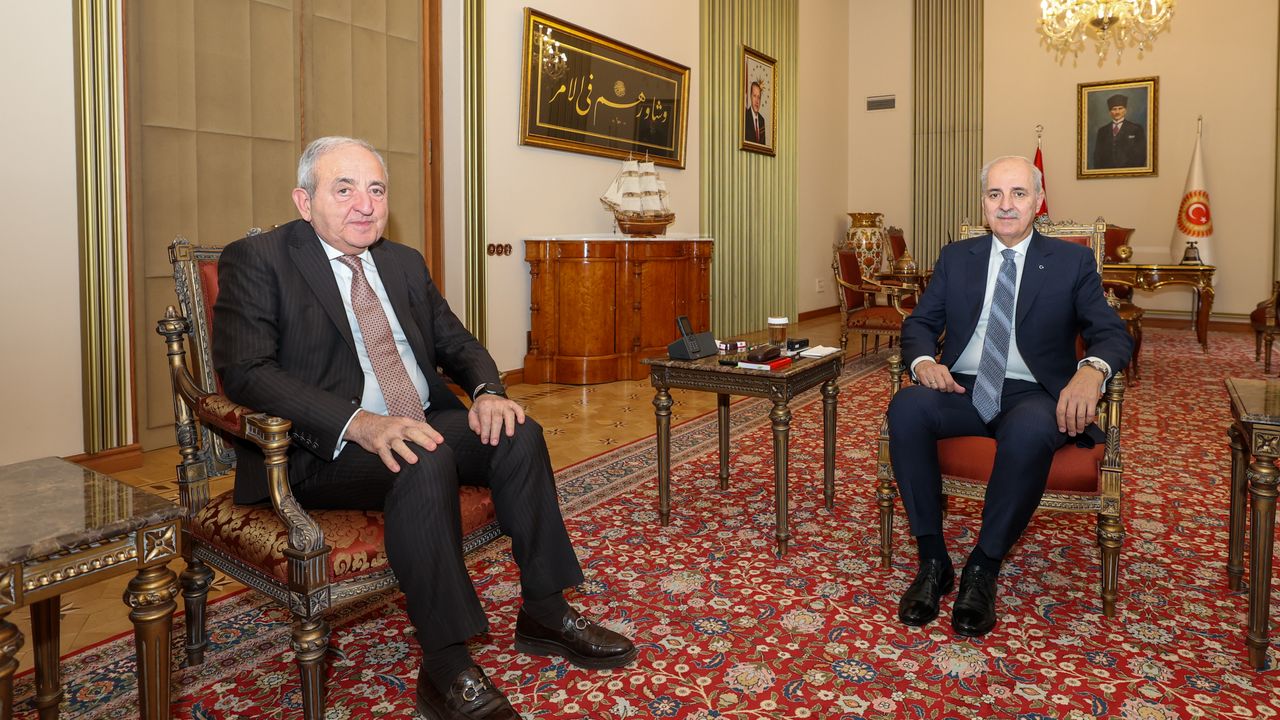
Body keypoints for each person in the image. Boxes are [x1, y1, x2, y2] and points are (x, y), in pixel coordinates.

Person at [213, 136, 636, 719]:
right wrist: (358, 423)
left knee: (518, 433)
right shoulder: (260, 258)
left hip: (420, 418)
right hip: (321, 449)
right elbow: (247, 372)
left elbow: (456, 342)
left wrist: (488, 392)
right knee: (423, 454)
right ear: (304, 201)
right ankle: (446, 666)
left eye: (376, 190)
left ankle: (544, 610)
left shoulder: (402, 262)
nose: (366, 205)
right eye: (344, 190)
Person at [886, 155, 1132, 637]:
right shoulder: (957, 257)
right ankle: (933, 560)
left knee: (1032, 428)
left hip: (1032, 391)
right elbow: (920, 323)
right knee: (907, 407)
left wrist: (1092, 371)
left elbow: (1110, 332)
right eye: (995, 194)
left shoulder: (1071, 262)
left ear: (1038, 201)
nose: (1006, 205)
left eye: (1018, 194)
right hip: (962, 386)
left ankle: (984, 565)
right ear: (983, 203)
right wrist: (924, 363)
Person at [1092, 93, 1146, 169]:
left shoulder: (1136, 129)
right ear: (1110, 112)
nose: (1117, 112)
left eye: (1120, 108)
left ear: (1125, 110)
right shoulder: (1102, 131)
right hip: (1107, 173)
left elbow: (1141, 155)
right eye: (1114, 109)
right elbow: (1097, 156)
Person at [744, 80, 767, 145]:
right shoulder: (745, 117)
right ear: (750, 96)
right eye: (754, 96)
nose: (757, 101)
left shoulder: (762, 120)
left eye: (758, 97)